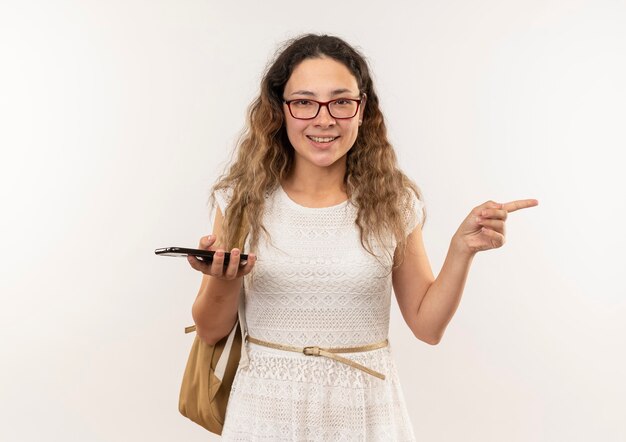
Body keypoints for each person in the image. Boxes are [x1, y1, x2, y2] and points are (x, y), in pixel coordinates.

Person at [187, 33, 538, 441]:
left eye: (341, 101)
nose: (324, 119)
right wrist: (222, 279)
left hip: (366, 414)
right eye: (304, 102)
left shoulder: (392, 202)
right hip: (265, 413)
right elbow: (211, 331)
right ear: (279, 111)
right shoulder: (241, 199)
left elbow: (428, 327)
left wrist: (461, 250)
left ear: (361, 110)